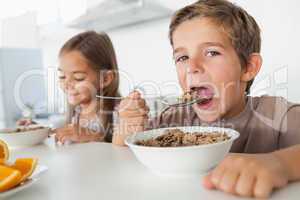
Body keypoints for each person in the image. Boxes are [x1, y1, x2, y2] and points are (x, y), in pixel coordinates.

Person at [113, 0, 300, 198]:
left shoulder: (277, 114)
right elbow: (124, 155)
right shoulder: (170, 119)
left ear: (248, 67)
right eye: (182, 57)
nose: (192, 66)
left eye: (212, 52)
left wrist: (281, 163)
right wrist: (128, 126)